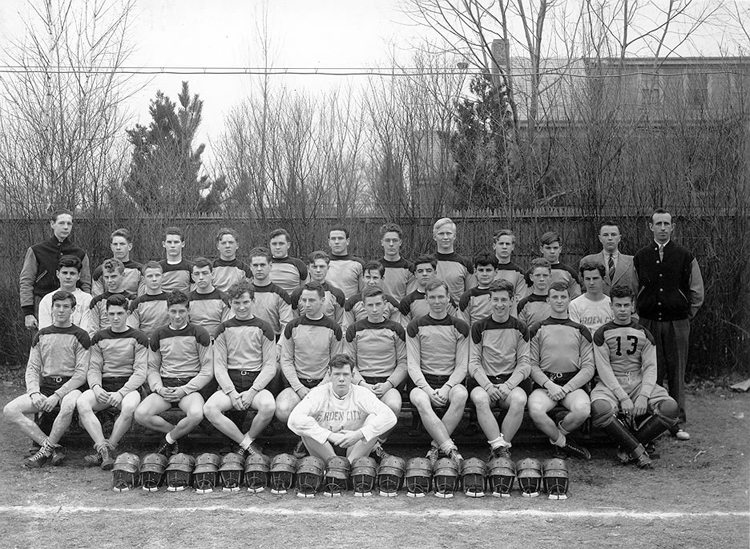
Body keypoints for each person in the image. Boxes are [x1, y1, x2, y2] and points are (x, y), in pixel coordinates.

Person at [633, 208, 704, 441]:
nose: (663, 228)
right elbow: (634, 290)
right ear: (650, 227)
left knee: (677, 372)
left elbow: (697, 292)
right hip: (648, 323)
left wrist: (685, 314)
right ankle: (653, 420)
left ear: (673, 227)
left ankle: (676, 422)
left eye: (667, 224)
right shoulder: (641, 256)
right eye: (658, 224)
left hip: (677, 323)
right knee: (652, 372)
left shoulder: (685, 255)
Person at [590, 285, 680, 469]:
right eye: (618, 305)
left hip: (638, 382)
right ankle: (639, 451)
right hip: (611, 383)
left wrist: (643, 395)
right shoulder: (601, 334)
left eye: (626, 305)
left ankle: (628, 447)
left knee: (670, 408)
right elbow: (604, 369)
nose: (622, 310)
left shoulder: (645, 334)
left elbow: (650, 368)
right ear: (611, 307)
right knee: (599, 408)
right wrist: (622, 397)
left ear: (633, 306)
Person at [3, 290, 90, 467]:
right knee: (10, 410)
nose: (61, 310)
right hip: (46, 387)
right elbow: (33, 368)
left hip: (72, 388)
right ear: (51, 309)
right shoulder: (41, 335)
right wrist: (34, 392)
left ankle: (44, 451)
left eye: (66, 307)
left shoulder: (81, 335)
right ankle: (52, 447)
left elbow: (81, 374)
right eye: (57, 306)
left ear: (73, 310)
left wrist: (57, 395)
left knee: (68, 405)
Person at [134, 290, 214, 457]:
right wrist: (159, 388)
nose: (177, 316)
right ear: (167, 311)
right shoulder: (158, 334)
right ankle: (179, 436)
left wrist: (185, 389)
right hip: (167, 386)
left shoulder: (199, 333)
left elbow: (207, 370)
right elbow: (153, 368)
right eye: (173, 311)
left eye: (182, 311)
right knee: (141, 414)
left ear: (188, 311)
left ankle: (169, 439)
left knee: (196, 414)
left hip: (189, 387)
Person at [203, 281, 278, 458]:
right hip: (232, 382)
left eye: (245, 302)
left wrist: (252, 391)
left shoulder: (264, 327)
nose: (241, 307)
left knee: (268, 406)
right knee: (210, 409)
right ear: (230, 303)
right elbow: (219, 365)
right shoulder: (223, 328)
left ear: (253, 301)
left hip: (255, 382)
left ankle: (247, 439)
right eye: (237, 303)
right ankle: (246, 444)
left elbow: (269, 366)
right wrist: (230, 392)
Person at [76, 294, 148, 470]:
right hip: (105, 385)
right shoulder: (99, 337)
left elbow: (140, 372)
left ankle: (110, 448)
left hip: (129, 387)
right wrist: (96, 386)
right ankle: (103, 450)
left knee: (130, 406)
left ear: (127, 313)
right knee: (82, 402)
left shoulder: (139, 337)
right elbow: (94, 368)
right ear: (106, 314)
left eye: (120, 313)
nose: (115, 318)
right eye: (111, 314)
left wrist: (122, 392)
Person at [527, 281, 594, 460]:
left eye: (563, 297)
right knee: (535, 410)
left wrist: (567, 388)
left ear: (569, 300)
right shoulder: (537, 329)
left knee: (583, 410)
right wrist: (550, 385)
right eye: (554, 297)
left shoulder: (581, 330)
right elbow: (532, 365)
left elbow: (588, 367)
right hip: (545, 386)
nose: (559, 301)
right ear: (548, 300)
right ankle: (565, 443)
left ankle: (557, 436)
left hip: (571, 386)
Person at [288, 354, 397, 462]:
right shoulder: (318, 392)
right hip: (325, 446)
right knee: (306, 424)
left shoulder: (362, 393)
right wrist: (329, 435)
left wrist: (359, 434)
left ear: (352, 375)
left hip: (354, 446)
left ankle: (348, 466)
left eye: (345, 374)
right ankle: (333, 464)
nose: (341, 379)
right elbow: (293, 419)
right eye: (337, 374)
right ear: (330, 375)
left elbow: (390, 417)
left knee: (374, 418)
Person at [407, 280, 469, 467]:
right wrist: (427, 389)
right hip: (422, 383)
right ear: (426, 299)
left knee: (461, 395)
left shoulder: (460, 326)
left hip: (450, 382)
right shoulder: (415, 325)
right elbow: (412, 365)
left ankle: (435, 447)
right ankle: (449, 447)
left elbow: (462, 366)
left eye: (441, 296)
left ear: (448, 298)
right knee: (420, 400)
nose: (437, 301)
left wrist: (447, 387)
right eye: (432, 297)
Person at [469, 280, 530, 461]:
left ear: (512, 301)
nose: (500, 305)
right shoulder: (479, 327)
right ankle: (498, 447)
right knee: (480, 399)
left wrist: (508, 385)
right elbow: (473, 363)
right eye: (495, 300)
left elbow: (525, 363)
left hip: (509, 384)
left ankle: (502, 449)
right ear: (489, 300)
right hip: (485, 383)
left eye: (504, 300)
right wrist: (488, 386)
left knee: (519, 399)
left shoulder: (520, 327)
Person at [345, 286, 407, 454]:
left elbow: (403, 363)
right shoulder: (354, 329)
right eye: (370, 305)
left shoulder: (396, 329)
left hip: (387, 383)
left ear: (385, 305)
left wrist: (388, 384)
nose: (374, 309)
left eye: (378, 304)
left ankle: (376, 444)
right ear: (363, 306)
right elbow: (349, 363)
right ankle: (361, 448)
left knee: (394, 406)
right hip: (362, 383)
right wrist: (362, 384)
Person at [276, 282, 344, 434]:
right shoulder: (292, 326)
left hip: (324, 385)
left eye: (311, 300)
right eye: (303, 300)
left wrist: (320, 388)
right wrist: (299, 387)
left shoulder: (334, 328)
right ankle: (303, 437)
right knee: (282, 409)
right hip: (298, 385)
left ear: (322, 300)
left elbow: (336, 364)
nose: (306, 304)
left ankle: (313, 440)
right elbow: (286, 360)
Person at [20, 209, 91, 329]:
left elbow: (86, 283)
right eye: (61, 223)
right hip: (41, 304)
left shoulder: (80, 253)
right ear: (52, 224)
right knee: (42, 343)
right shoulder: (37, 251)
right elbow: (26, 282)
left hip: (73, 307)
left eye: (69, 224)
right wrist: (28, 313)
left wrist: (86, 306)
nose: (65, 227)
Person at [579, 222, 638, 296]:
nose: (610, 238)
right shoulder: (587, 261)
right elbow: (583, 290)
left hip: (624, 306)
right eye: (605, 235)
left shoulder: (632, 262)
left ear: (619, 238)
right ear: (600, 238)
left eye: (613, 234)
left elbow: (636, 290)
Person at [38, 255, 92, 334]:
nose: (68, 277)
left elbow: (86, 331)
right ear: (57, 274)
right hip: (52, 343)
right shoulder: (47, 299)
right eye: (64, 273)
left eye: (72, 273)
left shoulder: (87, 299)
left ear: (79, 276)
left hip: (79, 343)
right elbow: (44, 332)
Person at [246, 246, 293, 338]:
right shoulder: (243, 293)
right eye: (255, 265)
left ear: (270, 266)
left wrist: (280, 346)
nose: (259, 269)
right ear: (250, 267)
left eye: (262, 265)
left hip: (273, 342)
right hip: (246, 343)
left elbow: (286, 326)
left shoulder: (281, 295)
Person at [399, 254, 457, 325]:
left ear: (435, 273)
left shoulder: (446, 299)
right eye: (420, 271)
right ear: (415, 274)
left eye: (428, 270)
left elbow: (455, 325)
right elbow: (406, 329)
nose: (424, 274)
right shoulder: (407, 302)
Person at [290, 251, 346, 325]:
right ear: (308, 269)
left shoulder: (337, 294)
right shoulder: (297, 294)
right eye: (314, 267)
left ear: (328, 268)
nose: (318, 270)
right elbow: (294, 323)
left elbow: (340, 324)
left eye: (322, 267)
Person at [343, 260, 401, 330]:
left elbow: (397, 330)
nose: (371, 282)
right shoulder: (352, 302)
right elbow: (346, 330)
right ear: (363, 278)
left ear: (382, 279)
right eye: (368, 277)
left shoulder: (392, 303)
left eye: (375, 278)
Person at [88, 259, 136, 337]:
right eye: (106, 277)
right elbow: (92, 330)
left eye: (113, 276)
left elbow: (134, 329)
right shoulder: (97, 302)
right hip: (104, 344)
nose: (109, 281)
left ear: (123, 275)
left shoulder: (133, 301)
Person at [91, 228, 143, 297]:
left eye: (122, 244)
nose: (118, 248)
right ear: (111, 247)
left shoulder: (140, 271)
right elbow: (97, 300)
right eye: (115, 244)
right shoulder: (100, 271)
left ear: (129, 246)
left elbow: (142, 300)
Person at [432, 217, 474, 302]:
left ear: (454, 236)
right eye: (441, 234)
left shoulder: (466, 264)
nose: (445, 237)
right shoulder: (426, 263)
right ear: (434, 237)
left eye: (449, 233)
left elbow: (472, 295)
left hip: (457, 313)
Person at [188, 257, 231, 338]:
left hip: (217, 343)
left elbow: (225, 328)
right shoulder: (187, 300)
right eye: (197, 274)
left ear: (212, 274)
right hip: (194, 343)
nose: (201, 277)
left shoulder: (224, 298)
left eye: (205, 273)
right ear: (193, 277)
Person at [568, 260, 613, 334]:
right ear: (583, 280)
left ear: (604, 279)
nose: (591, 283)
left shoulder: (612, 304)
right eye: (588, 279)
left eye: (595, 278)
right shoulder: (574, 305)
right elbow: (575, 334)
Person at [127, 261, 170, 338]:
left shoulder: (172, 300)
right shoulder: (136, 303)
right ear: (144, 279)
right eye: (150, 276)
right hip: (145, 345)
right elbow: (132, 330)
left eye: (157, 275)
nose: (154, 279)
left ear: (162, 277)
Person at [377, 222, 416, 301]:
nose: (391, 244)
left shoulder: (410, 268)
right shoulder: (375, 268)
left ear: (400, 242)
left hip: (401, 311)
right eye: (387, 240)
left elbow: (410, 299)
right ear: (382, 242)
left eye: (394, 240)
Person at [458, 252, 499, 325]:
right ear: (475, 271)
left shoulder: (504, 294)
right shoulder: (467, 297)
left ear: (496, 272)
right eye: (481, 270)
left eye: (488, 270)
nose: (484, 274)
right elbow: (463, 327)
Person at [493, 229, 528, 315]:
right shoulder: (485, 270)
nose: (504, 247)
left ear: (512, 247)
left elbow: (520, 300)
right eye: (501, 243)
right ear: (494, 246)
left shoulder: (519, 273)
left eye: (507, 244)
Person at [326, 225, 365, 300]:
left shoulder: (358, 264)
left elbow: (364, 292)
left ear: (347, 241)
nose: (337, 242)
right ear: (329, 242)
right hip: (327, 308)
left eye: (340, 238)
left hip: (351, 308)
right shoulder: (321, 264)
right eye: (333, 239)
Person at [538, 231, 581, 298]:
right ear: (541, 249)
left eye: (555, 248)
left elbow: (576, 299)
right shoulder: (533, 273)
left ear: (560, 249)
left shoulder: (570, 273)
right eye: (548, 248)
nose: (552, 251)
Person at [268, 228, 308, 295]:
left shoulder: (299, 265)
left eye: (281, 244)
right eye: (274, 244)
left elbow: (305, 290)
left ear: (288, 245)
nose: (277, 247)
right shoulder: (263, 264)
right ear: (270, 245)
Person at [212, 227, 252, 292]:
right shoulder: (211, 268)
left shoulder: (245, 269)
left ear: (237, 245)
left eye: (231, 242)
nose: (227, 246)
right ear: (218, 246)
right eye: (223, 243)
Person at [517, 258, 552, 327]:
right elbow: (522, 332)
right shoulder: (523, 304)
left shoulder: (556, 301)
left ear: (550, 277)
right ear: (531, 277)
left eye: (545, 275)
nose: (541, 279)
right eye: (537, 275)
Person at [159, 227, 193, 294]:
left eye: (176, 242)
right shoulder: (158, 267)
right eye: (169, 242)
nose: (172, 245)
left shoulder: (191, 267)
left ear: (183, 244)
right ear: (163, 244)